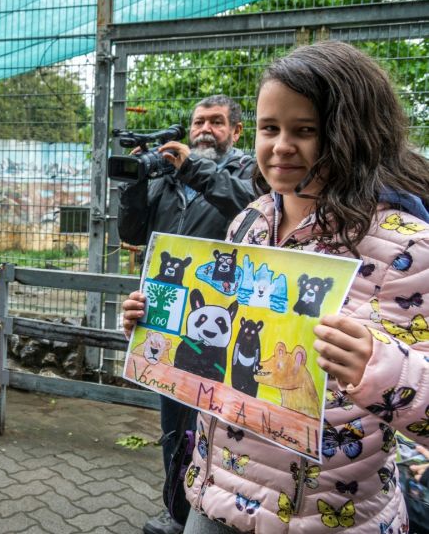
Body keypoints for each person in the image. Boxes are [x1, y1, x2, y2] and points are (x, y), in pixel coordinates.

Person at [123, 41, 429, 533]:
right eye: (270, 128)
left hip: (326, 517)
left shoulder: (405, 247)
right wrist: (155, 326)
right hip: (215, 494)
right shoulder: (249, 220)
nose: (281, 146)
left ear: (354, 132)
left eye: (305, 130)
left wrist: (381, 367)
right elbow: (224, 340)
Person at [118, 94, 256, 534]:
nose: (204, 130)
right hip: (169, 321)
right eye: (198, 122)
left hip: (221, 321)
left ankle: (216, 512)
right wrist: (136, 182)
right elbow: (131, 231)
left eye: (216, 122)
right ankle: (177, 509)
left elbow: (249, 206)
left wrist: (192, 168)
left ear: (236, 131)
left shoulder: (248, 171)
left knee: (218, 428)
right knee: (174, 425)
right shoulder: (168, 178)